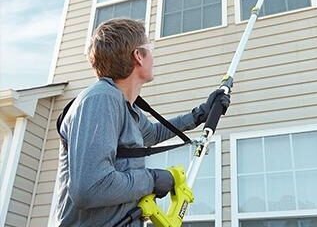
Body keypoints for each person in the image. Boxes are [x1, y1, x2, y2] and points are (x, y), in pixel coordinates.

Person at [55, 18, 230, 226]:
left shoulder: (126, 106)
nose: (153, 57)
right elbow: (91, 187)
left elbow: (152, 134)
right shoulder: (101, 99)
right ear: (138, 55)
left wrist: (199, 115)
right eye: (150, 48)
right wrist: (153, 180)